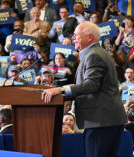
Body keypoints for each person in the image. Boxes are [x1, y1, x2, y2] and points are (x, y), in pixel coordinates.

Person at [41, 22, 127, 157]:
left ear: (90, 37)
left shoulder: (94, 55)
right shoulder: (95, 53)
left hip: (101, 121)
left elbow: (91, 85)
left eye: (76, 35)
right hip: (106, 119)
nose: (73, 38)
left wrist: (60, 90)